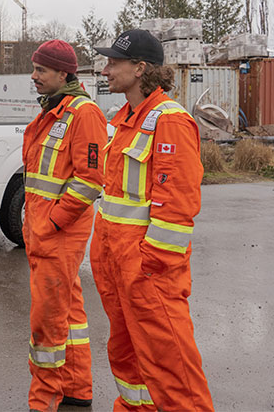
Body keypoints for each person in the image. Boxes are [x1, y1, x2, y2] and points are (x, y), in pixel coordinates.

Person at [91, 30, 214, 411]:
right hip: (116, 264)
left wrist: (151, 264)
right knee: (126, 357)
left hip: (148, 271)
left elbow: (177, 206)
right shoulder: (125, 118)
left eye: (114, 62)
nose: (106, 69)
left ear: (140, 68)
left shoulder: (170, 121)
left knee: (171, 366)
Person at [22, 40, 107, 412]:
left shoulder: (82, 113)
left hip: (57, 235)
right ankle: (77, 388)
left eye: (41, 70)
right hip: (44, 233)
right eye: (35, 69)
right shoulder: (54, 110)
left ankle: (44, 401)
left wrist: (53, 222)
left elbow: (90, 181)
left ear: (63, 74)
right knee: (69, 315)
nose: (34, 76)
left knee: (48, 323)